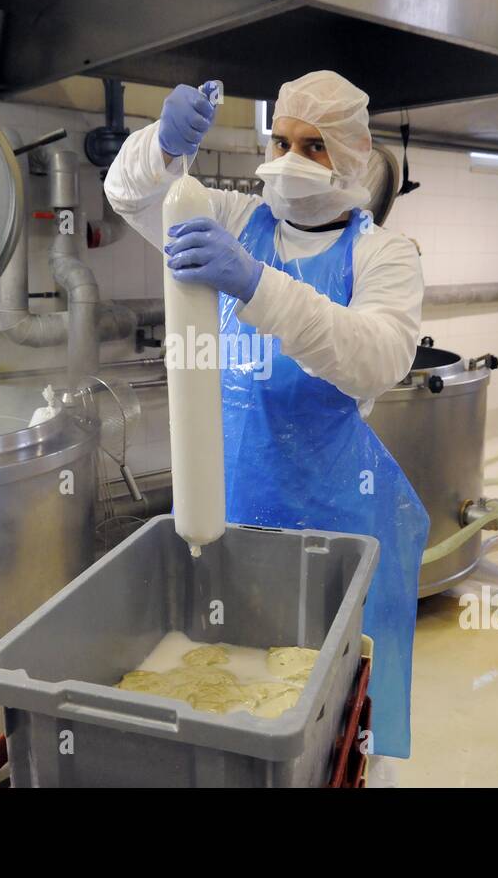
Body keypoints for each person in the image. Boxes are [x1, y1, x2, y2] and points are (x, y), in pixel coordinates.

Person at [104, 70, 429, 760]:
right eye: (279, 139)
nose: (288, 159)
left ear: (354, 156)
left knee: (337, 719)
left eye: (312, 146)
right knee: (245, 694)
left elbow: (374, 355)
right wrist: (160, 148)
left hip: (335, 518)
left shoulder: (384, 254)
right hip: (236, 506)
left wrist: (255, 286)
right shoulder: (228, 218)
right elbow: (128, 194)